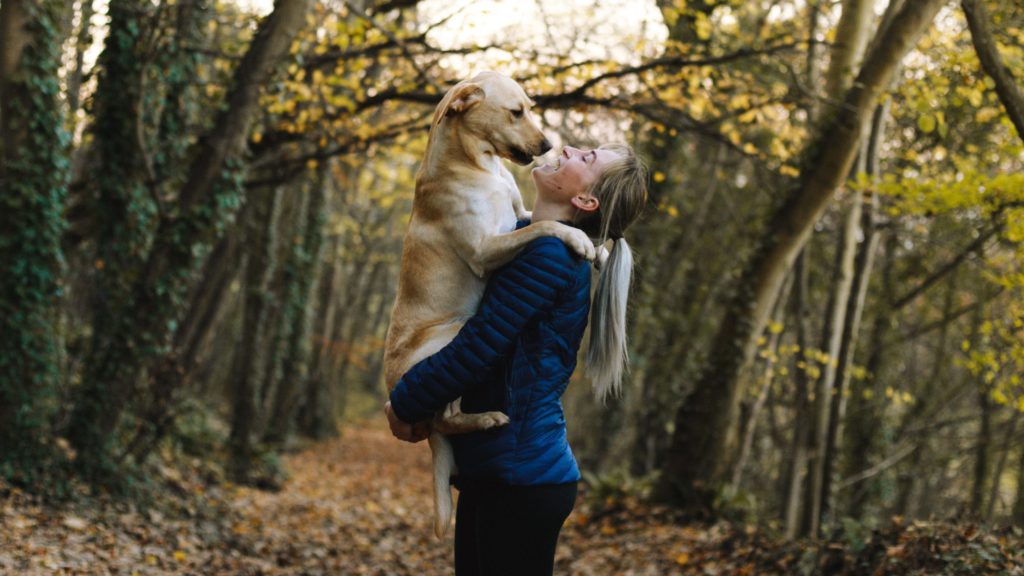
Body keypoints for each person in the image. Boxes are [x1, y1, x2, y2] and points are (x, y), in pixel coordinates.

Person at [386, 143, 648, 576]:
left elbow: (479, 346)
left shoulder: (550, 256)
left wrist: (405, 403)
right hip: (503, 476)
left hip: (522, 478)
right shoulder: (525, 240)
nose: (569, 148)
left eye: (587, 158)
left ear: (585, 201)